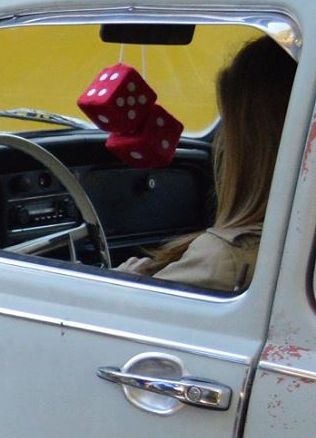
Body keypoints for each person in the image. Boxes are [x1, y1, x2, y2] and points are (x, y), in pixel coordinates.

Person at [118, 35, 298, 293]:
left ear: (251, 143)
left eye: (229, 122)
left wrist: (126, 277)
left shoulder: (227, 258)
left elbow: (126, 309)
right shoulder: (294, 246)